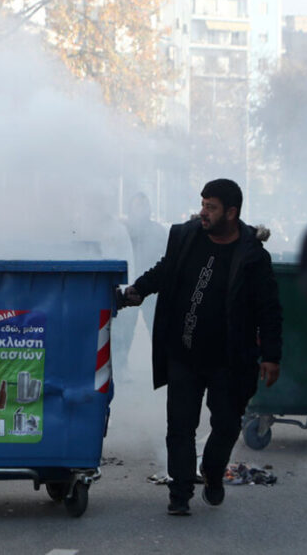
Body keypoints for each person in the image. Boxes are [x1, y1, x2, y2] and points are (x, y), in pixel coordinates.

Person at [120, 179, 282, 516]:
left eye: (211, 207)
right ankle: (179, 494)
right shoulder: (187, 237)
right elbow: (165, 270)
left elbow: (269, 308)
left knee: (226, 425)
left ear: (231, 213)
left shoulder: (252, 256)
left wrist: (271, 355)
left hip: (230, 359)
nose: (203, 212)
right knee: (180, 426)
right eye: (203, 204)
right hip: (184, 353)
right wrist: (139, 290)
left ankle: (211, 472)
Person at [113, 192, 167, 379]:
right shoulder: (124, 230)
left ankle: (164, 369)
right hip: (130, 286)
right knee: (124, 331)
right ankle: (120, 368)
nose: (142, 210)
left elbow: (168, 256)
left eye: (144, 206)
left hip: (152, 287)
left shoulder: (158, 231)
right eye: (137, 206)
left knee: (157, 329)